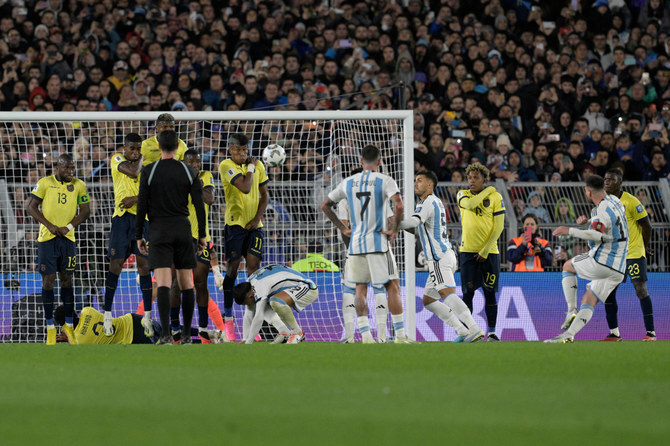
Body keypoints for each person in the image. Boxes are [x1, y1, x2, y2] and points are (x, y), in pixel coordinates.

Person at [321, 145, 412, 344]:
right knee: (392, 286)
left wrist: (342, 228)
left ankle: (365, 336)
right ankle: (399, 336)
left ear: (361, 161)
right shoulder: (385, 180)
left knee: (359, 289)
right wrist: (394, 230)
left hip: (356, 245)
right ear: (379, 161)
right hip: (378, 243)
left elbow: (325, 205)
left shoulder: (348, 182)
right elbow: (399, 204)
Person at [135, 130, 207, 345]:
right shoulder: (188, 171)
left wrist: (139, 234)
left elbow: (142, 205)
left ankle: (166, 334)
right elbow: (199, 205)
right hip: (183, 229)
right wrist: (201, 234)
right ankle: (185, 334)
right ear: (177, 147)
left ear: (158, 146)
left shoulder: (149, 170)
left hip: (158, 230)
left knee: (165, 282)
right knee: (187, 283)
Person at [399, 170, 485, 342]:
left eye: (420, 180)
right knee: (429, 300)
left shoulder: (427, 202)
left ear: (430, 185)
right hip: (445, 254)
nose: (415, 183)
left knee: (447, 294)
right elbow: (417, 228)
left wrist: (392, 223)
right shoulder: (433, 202)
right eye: (415, 180)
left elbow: (414, 222)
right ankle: (461, 330)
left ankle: (473, 328)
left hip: (438, 258)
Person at [546, 175, 628, 343]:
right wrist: (589, 221)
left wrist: (570, 230)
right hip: (619, 268)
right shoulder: (614, 200)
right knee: (589, 298)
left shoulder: (600, 211)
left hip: (603, 260)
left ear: (588, 191)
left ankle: (570, 310)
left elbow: (597, 234)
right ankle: (568, 336)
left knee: (567, 266)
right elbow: (611, 221)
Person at [25, 154, 91, 345]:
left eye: (73, 168)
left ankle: (68, 326)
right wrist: (49, 225)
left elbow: (85, 210)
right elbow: (30, 206)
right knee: (48, 280)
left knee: (67, 279)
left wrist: (68, 227)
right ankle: (50, 329)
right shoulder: (45, 183)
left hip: (68, 239)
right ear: (58, 167)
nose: (71, 172)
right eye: (67, 168)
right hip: (47, 239)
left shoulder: (79, 185)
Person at [218, 133, 269, 341]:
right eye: (239, 150)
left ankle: (253, 319)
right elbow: (246, 187)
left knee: (253, 270)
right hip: (235, 225)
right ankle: (228, 319)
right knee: (232, 269)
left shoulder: (258, 166)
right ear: (230, 150)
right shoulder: (225, 165)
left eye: (246, 150)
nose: (243, 154)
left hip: (255, 226)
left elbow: (265, 195)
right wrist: (250, 167)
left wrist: (257, 218)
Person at [101, 133, 153, 336]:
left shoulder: (146, 165)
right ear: (124, 147)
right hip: (121, 220)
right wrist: (141, 158)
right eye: (132, 148)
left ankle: (147, 318)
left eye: (138, 148)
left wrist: (135, 198)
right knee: (115, 265)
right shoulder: (117, 158)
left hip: (143, 221)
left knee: (144, 267)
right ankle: (107, 317)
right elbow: (132, 172)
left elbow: (152, 194)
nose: (136, 152)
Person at [600, 168, 656, 341]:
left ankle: (651, 333)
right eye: (605, 179)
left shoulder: (631, 201)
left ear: (620, 182)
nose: (607, 182)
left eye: (611, 179)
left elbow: (647, 226)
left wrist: (643, 246)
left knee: (640, 290)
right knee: (608, 292)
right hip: (616, 255)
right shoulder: (603, 202)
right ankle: (614, 333)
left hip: (633, 252)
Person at [335, 167, 390, 343]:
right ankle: (381, 335)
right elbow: (390, 222)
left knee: (351, 291)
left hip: (356, 250)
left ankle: (352, 335)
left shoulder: (345, 200)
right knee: (380, 289)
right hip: (378, 249)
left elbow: (344, 228)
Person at [180, 149, 225, 343]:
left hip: (201, 238)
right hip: (179, 237)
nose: (196, 166)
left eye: (198, 162)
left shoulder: (206, 176)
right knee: (175, 286)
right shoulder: (176, 177)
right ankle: (175, 330)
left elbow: (209, 198)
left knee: (200, 286)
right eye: (191, 163)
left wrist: (193, 181)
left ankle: (204, 330)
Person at [456, 163, 505, 341]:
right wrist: (488, 189)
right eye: (469, 177)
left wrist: (485, 250)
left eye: (476, 177)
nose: (472, 181)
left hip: (490, 253)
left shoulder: (496, 197)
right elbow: (470, 205)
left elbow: (499, 227)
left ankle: (491, 332)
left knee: (490, 292)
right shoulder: (463, 195)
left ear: (484, 179)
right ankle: (468, 332)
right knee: (468, 293)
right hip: (467, 252)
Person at [233, 264, 318, 344]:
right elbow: (248, 314)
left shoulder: (260, 287)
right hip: (289, 286)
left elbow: (258, 318)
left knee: (275, 302)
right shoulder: (249, 284)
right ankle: (284, 332)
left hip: (307, 287)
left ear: (250, 296)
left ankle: (297, 332)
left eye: (246, 303)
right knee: (260, 305)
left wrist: (249, 342)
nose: (247, 306)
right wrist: (245, 338)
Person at [53, 305, 223, 345]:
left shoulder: (81, 341)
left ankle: (205, 342)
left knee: (170, 343)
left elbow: (76, 340)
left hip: (133, 337)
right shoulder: (87, 310)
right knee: (171, 330)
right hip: (133, 319)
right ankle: (209, 333)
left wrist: (66, 336)